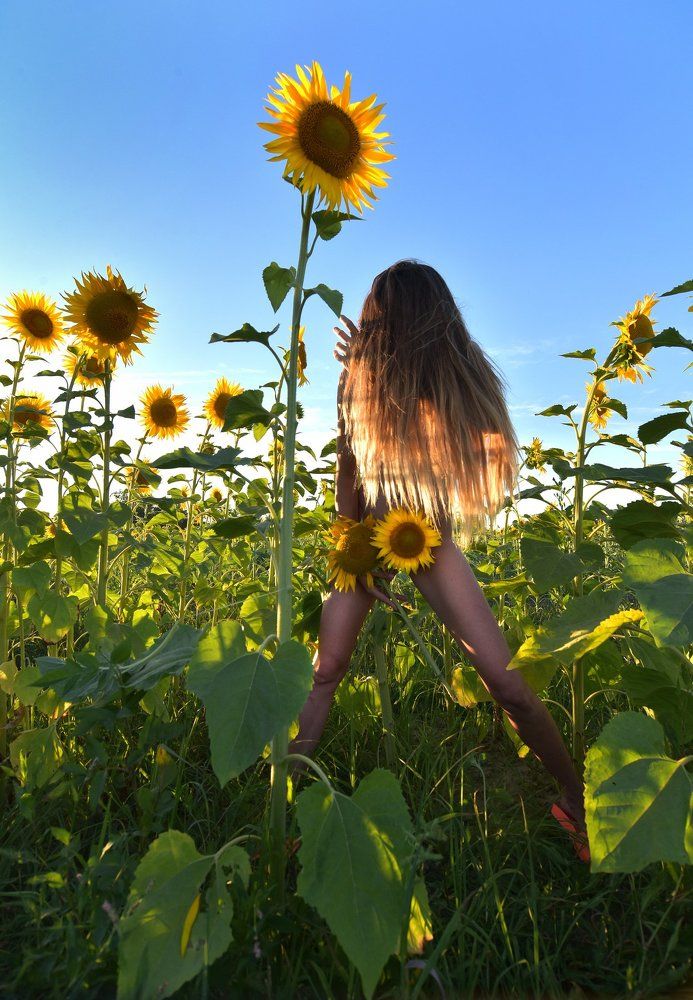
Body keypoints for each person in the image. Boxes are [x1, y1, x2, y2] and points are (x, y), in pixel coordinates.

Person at [288, 260, 589, 861]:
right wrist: (354, 557)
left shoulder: (452, 380)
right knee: (325, 671)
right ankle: (280, 808)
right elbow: (348, 475)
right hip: (367, 535)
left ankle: (577, 797)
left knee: (508, 685)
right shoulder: (356, 379)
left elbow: (466, 453)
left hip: (428, 535)